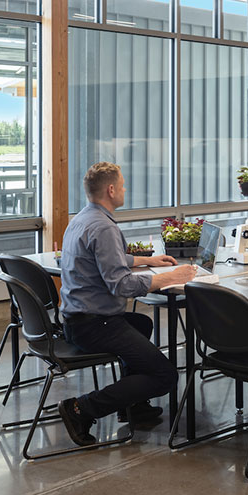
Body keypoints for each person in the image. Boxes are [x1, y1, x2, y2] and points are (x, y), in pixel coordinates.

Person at [55, 161, 196, 446]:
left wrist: (148, 260)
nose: (125, 189)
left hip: (75, 321)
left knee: (141, 323)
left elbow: (107, 260)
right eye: (122, 185)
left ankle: (133, 404)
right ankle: (80, 408)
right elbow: (121, 284)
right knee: (165, 375)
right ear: (110, 189)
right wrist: (168, 277)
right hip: (95, 325)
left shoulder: (82, 219)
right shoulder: (104, 228)